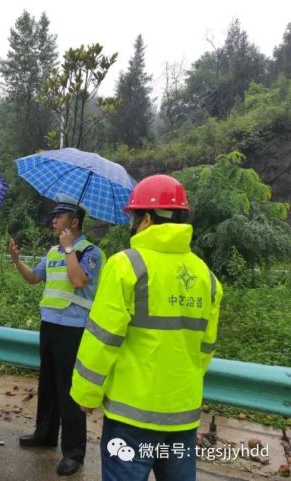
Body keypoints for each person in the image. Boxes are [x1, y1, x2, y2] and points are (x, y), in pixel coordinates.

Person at [71, 175, 223, 481]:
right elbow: (205, 350)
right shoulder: (207, 277)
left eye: (134, 217)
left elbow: (102, 338)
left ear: (148, 219)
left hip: (131, 417)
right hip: (182, 416)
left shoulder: (126, 265)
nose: (132, 224)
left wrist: (86, 394)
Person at [8, 197, 105, 476]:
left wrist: (69, 249)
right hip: (49, 324)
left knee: (69, 390)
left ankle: (74, 452)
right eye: (53, 215)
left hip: (73, 328)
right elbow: (33, 278)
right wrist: (16, 260)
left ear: (73, 222)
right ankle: (45, 435)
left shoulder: (90, 252)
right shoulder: (52, 252)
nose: (53, 220)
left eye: (59, 215)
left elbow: (78, 281)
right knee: (48, 384)